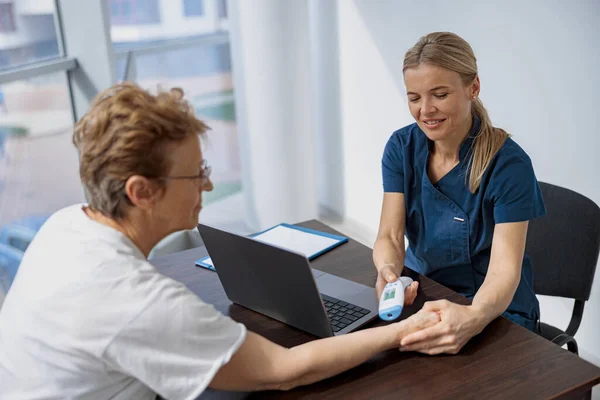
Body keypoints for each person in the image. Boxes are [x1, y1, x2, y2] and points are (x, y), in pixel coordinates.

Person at [0, 82, 435, 399]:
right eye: (196, 174)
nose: (207, 187)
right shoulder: (135, 301)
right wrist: (402, 330)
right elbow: (282, 370)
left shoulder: (66, 225)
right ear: (141, 192)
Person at [373, 32, 546, 356]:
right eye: (414, 97)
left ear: (473, 88)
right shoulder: (401, 148)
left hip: (494, 309)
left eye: (439, 94)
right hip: (424, 290)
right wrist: (388, 273)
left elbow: (504, 272)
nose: (425, 110)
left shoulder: (510, 165)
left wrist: (474, 317)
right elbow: (391, 236)